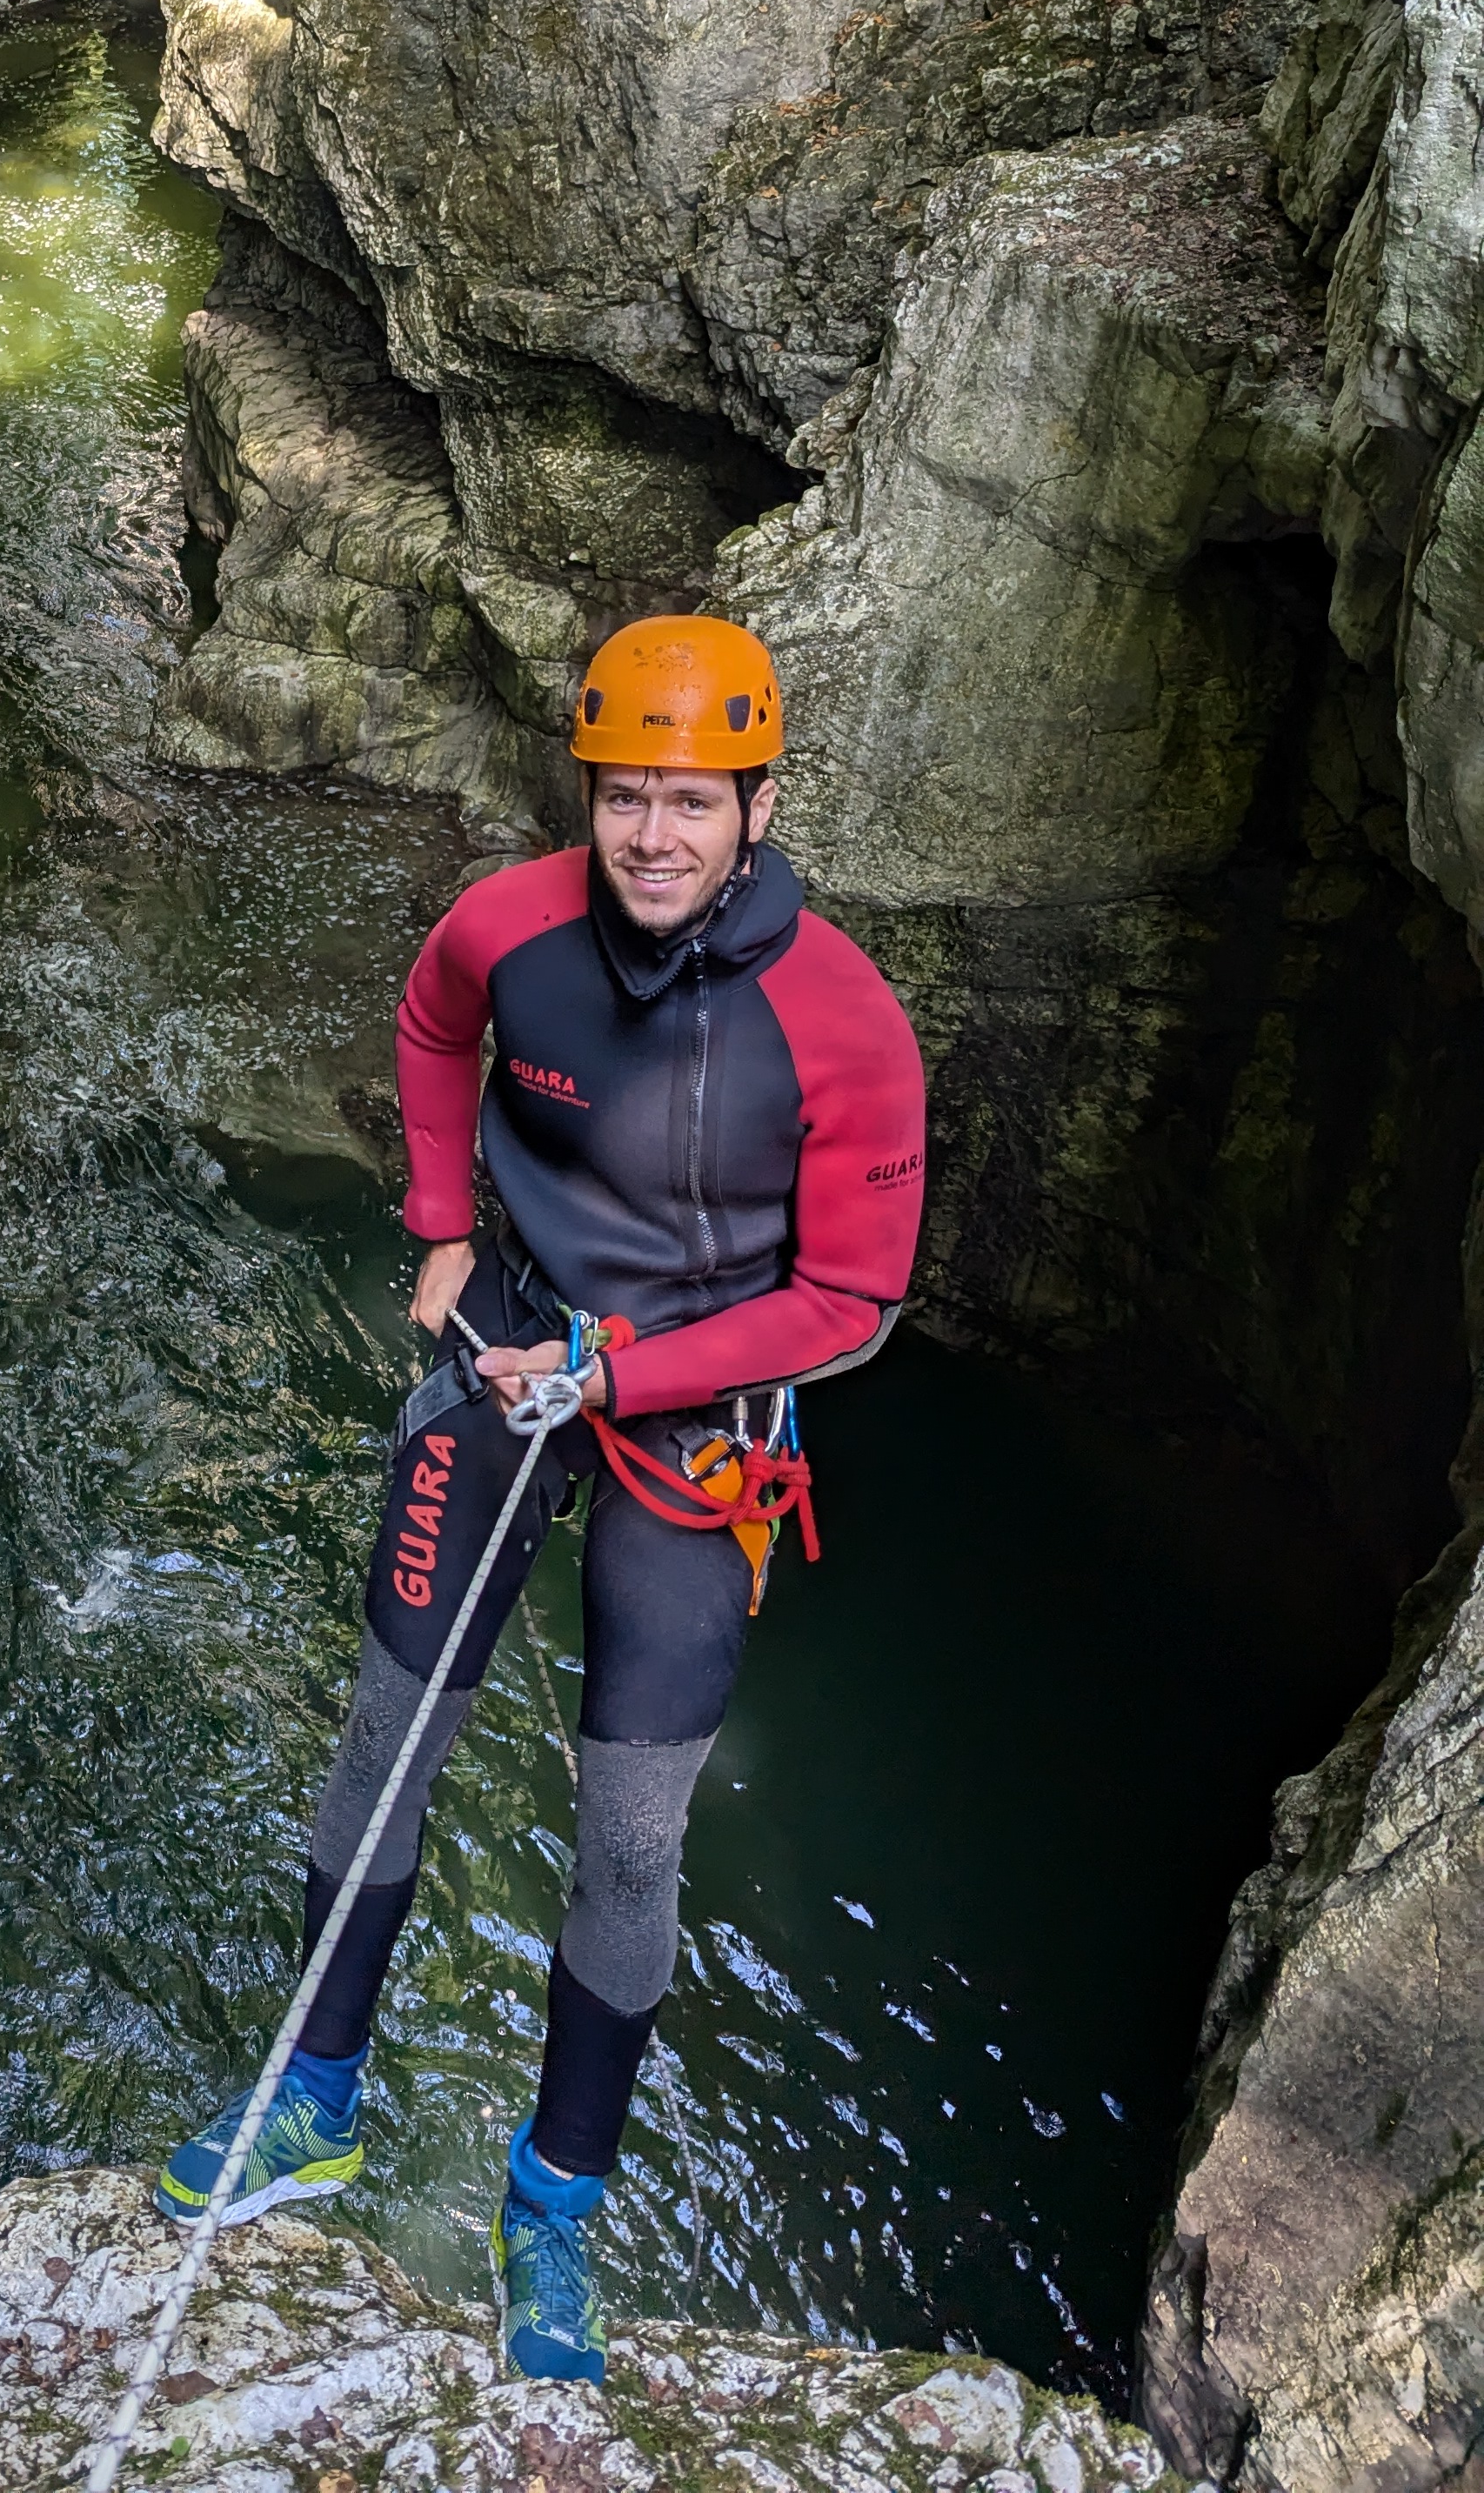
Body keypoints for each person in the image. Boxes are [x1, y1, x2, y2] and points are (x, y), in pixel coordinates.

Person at [152, 615, 927, 2383]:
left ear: (758, 805)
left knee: (633, 1830)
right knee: (384, 1728)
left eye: (691, 803)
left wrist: (623, 1374)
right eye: (626, 798)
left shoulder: (846, 1024)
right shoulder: (511, 929)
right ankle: (315, 2100)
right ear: (591, 796)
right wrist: (438, 1223)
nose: (654, 838)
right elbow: (432, 1029)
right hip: (507, 1345)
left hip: (692, 1418)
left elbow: (855, 1304)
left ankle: (554, 2202)